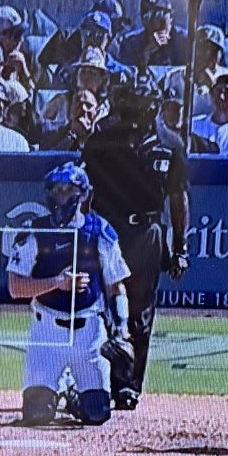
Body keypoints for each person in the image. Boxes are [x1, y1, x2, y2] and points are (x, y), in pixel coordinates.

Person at [82, 74, 189, 409]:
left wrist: (180, 248)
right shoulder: (102, 140)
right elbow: (85, 192)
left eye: (141, 106)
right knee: (102, 307)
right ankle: (96, 381)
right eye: (130, 105)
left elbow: (178, 197)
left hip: (146, 232)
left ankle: (129, 385)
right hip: (107, 230)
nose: (134, 113)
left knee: (140, 313)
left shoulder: (170, 143)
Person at [5, 162, 132, 429]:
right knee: (37, 414)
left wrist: (121, 329)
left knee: (96, 412)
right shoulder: (35, 231)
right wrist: (57, 283)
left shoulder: (99, 230)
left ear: (83, 194)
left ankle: (73, 392)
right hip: (47, 330)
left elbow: (116, 286)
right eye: (57, 190)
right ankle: (55, 388)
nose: (61, 196)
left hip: (88, 330)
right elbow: (15, 287)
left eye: (68, 190)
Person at [118, 0, 187, 70]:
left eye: (160, 16)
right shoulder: (131, 44)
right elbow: (126, 72)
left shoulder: (184, 42)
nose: (154, 22)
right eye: (148, 17)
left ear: (171, 18)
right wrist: (143, 59)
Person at [41, 84, 104, 153]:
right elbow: (50, 154)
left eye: (88, 105)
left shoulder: (101, 134)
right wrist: (72, 135)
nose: (83, 108)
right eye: (78, 103)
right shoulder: (57, 133)